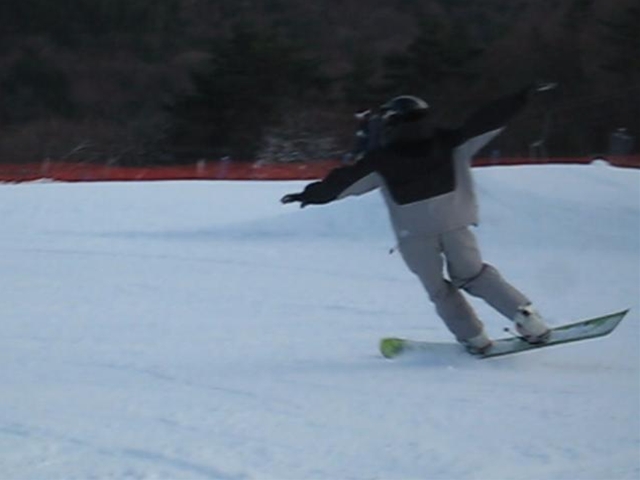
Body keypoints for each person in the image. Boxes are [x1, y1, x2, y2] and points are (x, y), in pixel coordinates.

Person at [281, 86, 554, 354]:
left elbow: (344, 182)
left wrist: (310, 195)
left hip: (415, 235)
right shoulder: (451, 142)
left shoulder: (382, 159)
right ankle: (529, 319)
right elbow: (486, 120)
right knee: (475, 276)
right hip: (456, 224)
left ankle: (474, 339)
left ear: (391, 123)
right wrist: (519, 97)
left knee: (439, 290)